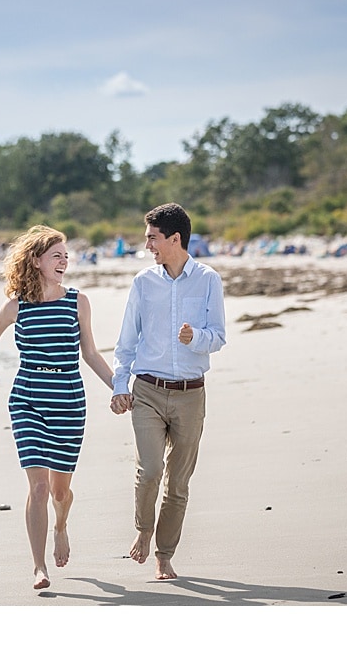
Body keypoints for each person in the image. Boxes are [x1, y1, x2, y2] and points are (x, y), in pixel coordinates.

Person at [0, 225, 115, 590]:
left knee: (59, 492)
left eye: (66, 255)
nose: (64, 261)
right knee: (38, 487)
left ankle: (60, 524)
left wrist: (118, 387)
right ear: (37, 260)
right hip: (27, 398)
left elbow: (90, 353)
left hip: (68, 400)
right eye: (57, 255)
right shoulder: (16, 304)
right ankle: (39, 567)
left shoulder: (78, 301)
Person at [109, 203, 226, 580]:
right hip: (147, 390)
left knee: (178, 482)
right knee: (150, 470)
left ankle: (164, 554)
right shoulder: (144, 282)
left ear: (175, 239)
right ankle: (144, 529)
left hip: (192, 394)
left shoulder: (208, 280)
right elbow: (127, 340)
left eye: (153, 239)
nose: (147, 246)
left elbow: (218, 337)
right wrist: (119, 385)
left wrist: (197, 338)